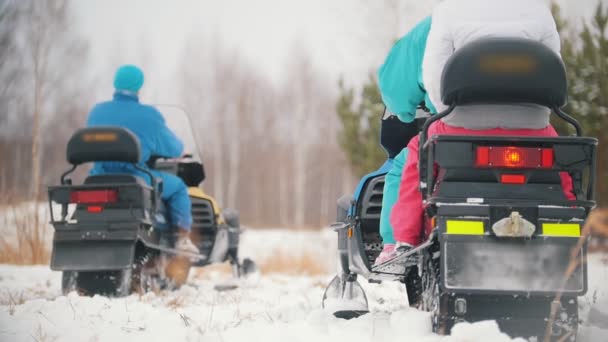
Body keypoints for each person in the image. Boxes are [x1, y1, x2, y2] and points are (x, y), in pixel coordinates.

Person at [390, 0, 575, 252]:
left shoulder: (449, 11)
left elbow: (434, 75)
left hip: (462, 122)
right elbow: (555, 72)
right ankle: (568, 219)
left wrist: (445, 110)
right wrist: (539, 113)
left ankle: (406, 239)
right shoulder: (539, 10)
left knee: (419, 151)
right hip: (532, 124)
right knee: (560, 158)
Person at [87, 64, 199, 255]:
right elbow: (173, 147)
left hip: (98, 177)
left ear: (115, 83)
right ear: (139, 86)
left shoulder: (97, 111)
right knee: (179, 187)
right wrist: (179, 151)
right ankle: (182, 238)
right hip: (135, 177)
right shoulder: (149, 115)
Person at [374, 16, 436, 264]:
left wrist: (404, 111)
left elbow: (395, 84)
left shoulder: (442, 22)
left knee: (405, 165)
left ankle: (396, 242)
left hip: (457, 125)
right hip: (533, 126)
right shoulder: (532, 15)